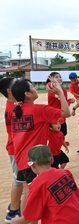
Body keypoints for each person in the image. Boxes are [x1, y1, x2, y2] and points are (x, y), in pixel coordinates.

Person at [10, 78, 70, 209]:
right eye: (33, 86)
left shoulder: (16, 111)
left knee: (28, 193)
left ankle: (25, 219)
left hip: (21, 159)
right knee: (36, 199)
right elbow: (67, 113)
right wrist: (60, 92)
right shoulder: (39, 110)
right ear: (27, 94)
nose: (36, 88)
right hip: (34, 161)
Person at [11, 145, 79, 224]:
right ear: (52, 160)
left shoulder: (37, 184)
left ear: (33, 166)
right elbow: (78, 196)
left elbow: (30, 217)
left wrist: (13, 222)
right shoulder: (65, 173)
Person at [0, 77, 22, 222]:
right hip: (16, 149)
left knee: (20, 179)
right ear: (9, 91)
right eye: (16, 84)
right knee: (19, 180)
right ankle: (13, 211)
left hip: (19, 148)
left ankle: (15, 205)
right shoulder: (13, 107)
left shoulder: (15, 104)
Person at [47, 72, 74, 137]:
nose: (59, 78)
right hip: (54, 118)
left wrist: (69, 101)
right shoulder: (51, 86)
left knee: (62, 135)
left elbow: (64, 103)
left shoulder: (63, 90)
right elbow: (58, 96)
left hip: (62, 117)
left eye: (60, 77)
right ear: (51, 79)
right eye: (56, 77)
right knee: (55, 137)